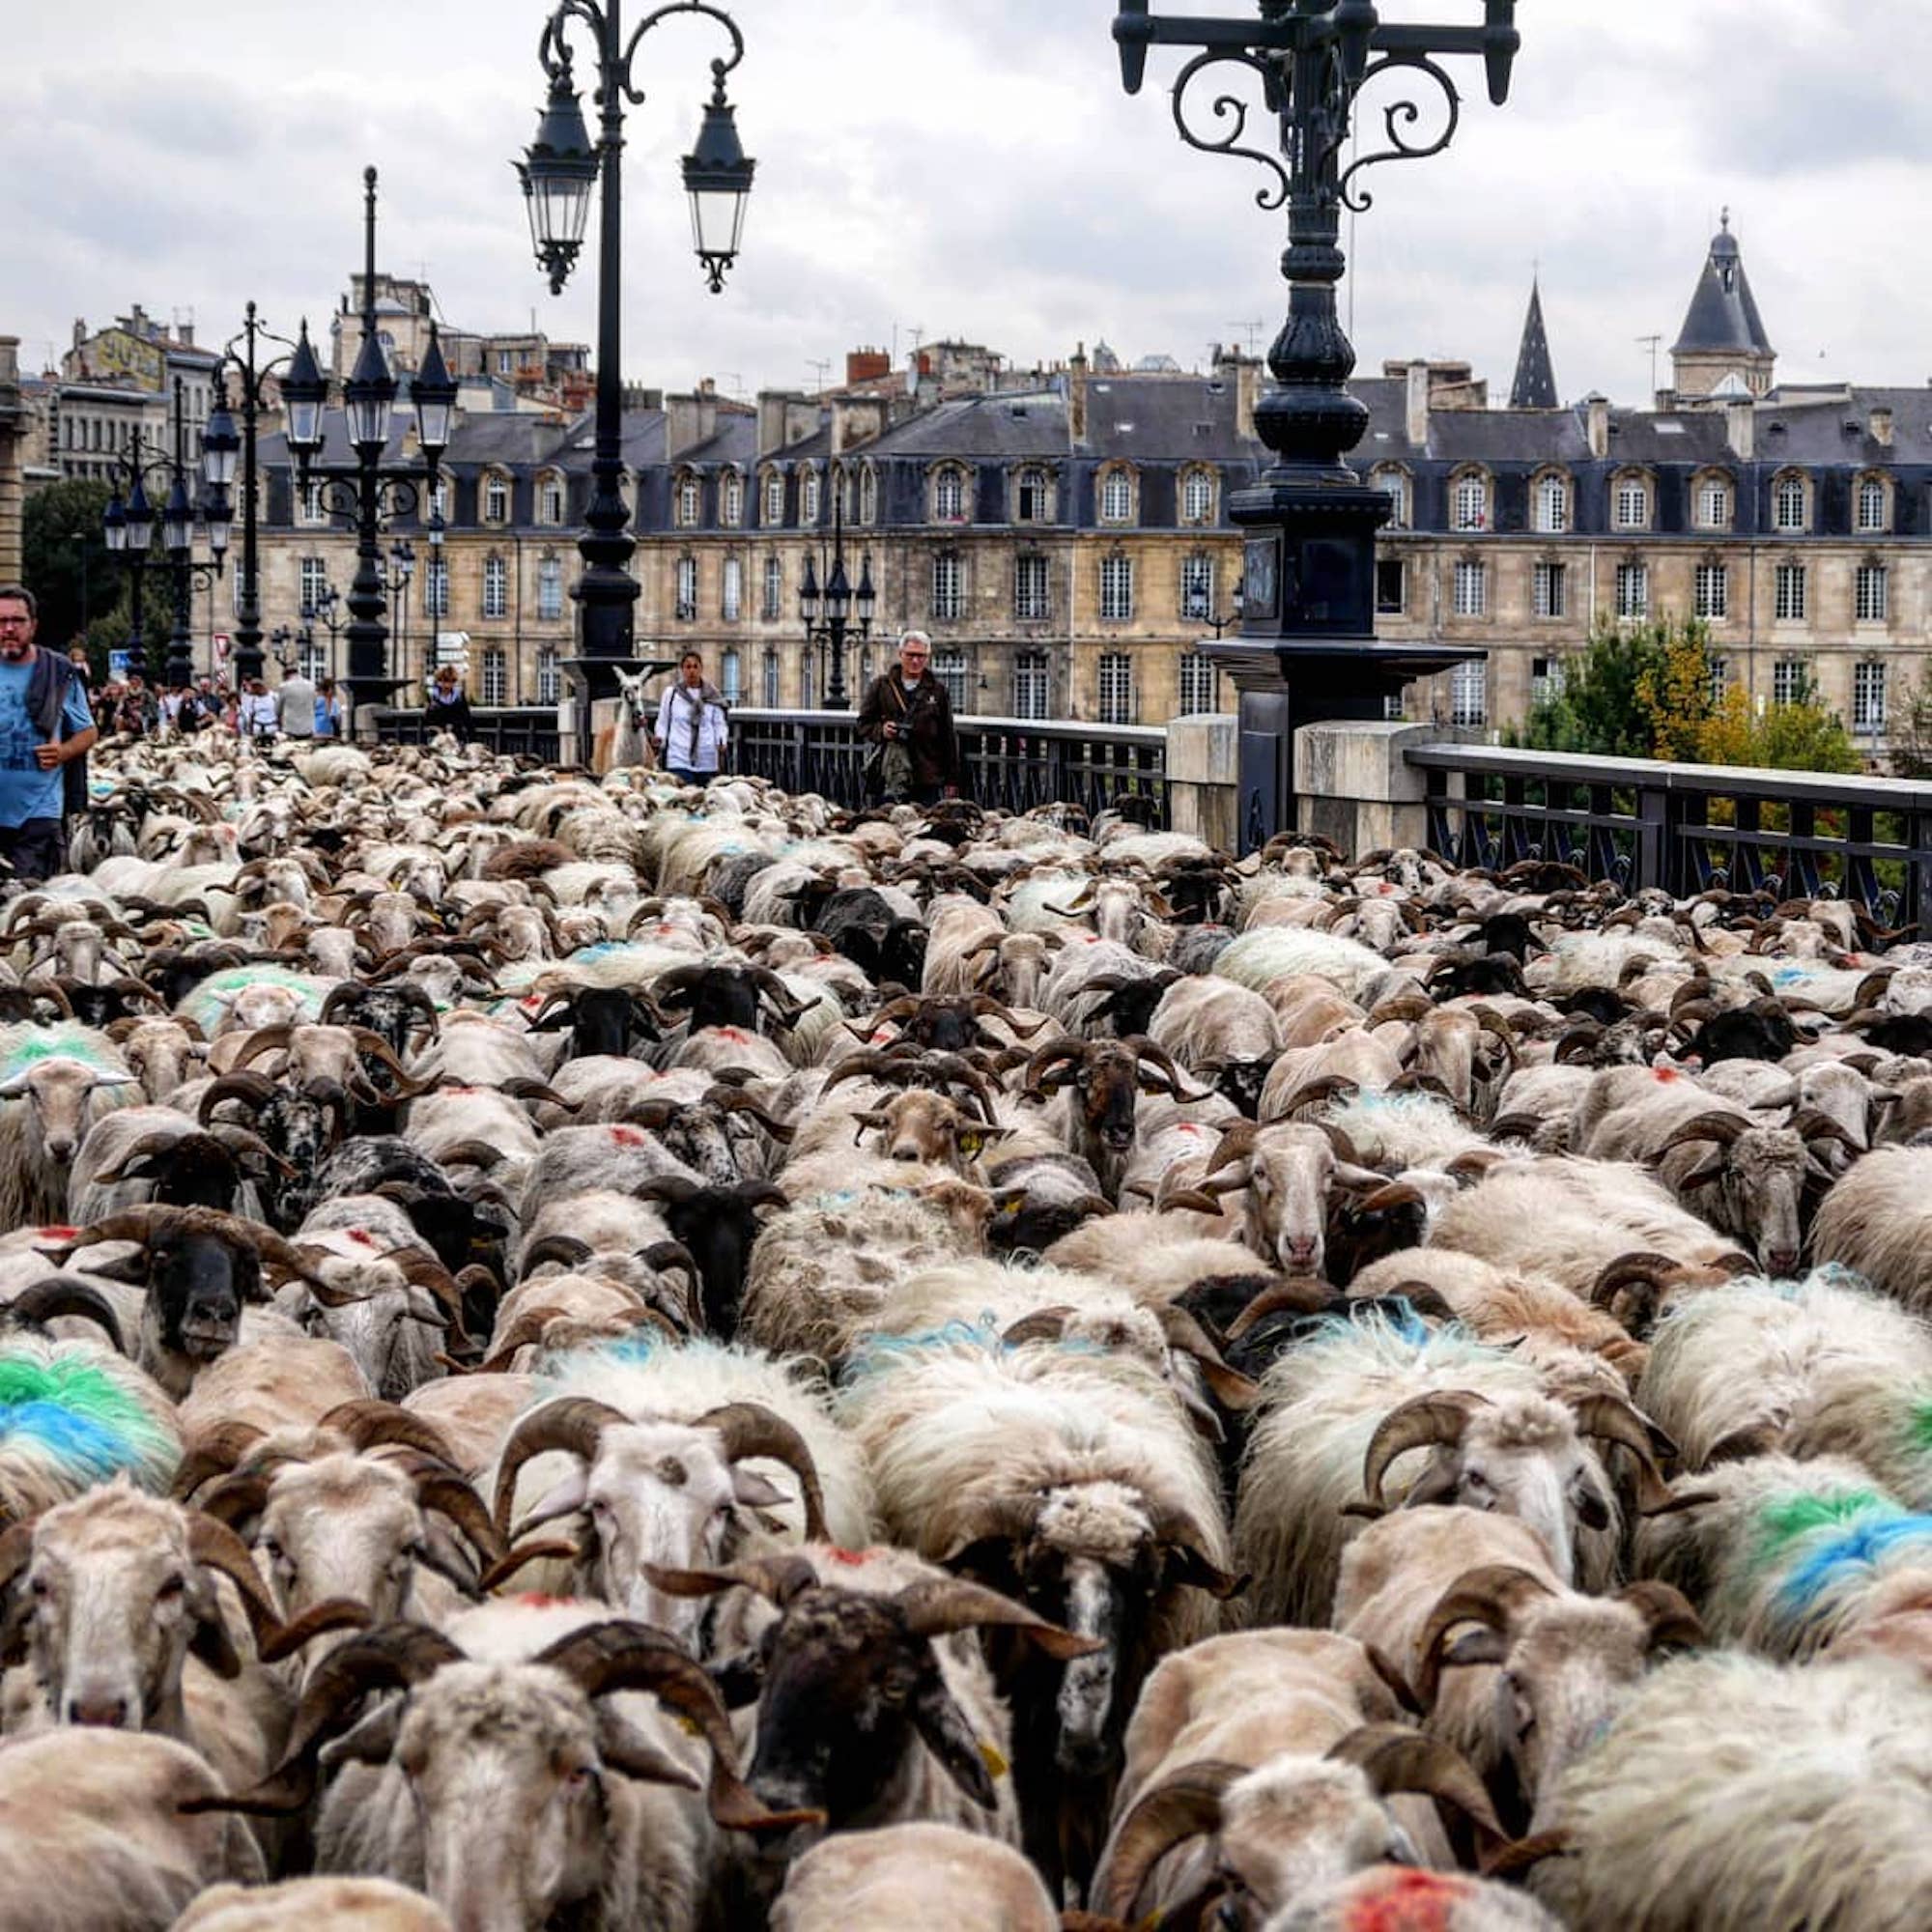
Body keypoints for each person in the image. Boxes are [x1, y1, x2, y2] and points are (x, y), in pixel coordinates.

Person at [0, 585, 98, 883]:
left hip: (38, 813)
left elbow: (88, 731)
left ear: (33, 625)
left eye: (18, 621)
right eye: (1, 621)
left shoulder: (59, 672)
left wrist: (63, 752)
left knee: (26, 908)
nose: (9, 628)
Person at [857, 628, 959, 806]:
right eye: (911, 655)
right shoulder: (882, 686)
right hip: (891, 773)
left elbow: (947, 735)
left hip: (927, 775)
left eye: (921, 656)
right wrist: (882, 731)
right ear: (900, 654)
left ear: (927, 657)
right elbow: (863, 723)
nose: (915, 661)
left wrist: (952, 779)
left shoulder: (938, 690)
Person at [652, 650, 729, 784]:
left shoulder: (712, 695)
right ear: (682, 670)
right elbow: (663, 720)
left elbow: (718, 723)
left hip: (706, 756)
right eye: (688, 667)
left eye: (695, 667)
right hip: (679, 755)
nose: (692, 671)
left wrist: (721, 740)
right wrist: (660, 737)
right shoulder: (672, 694)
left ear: (701, 669)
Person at [427, 664, 471, 743]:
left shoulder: (459, 696)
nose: (447, 685)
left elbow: (466, 717)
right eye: (445, 681)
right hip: (438, 735)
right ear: (439, 681)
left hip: (456, 735)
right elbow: (428, 718)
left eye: (451, 681)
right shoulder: (433, 696)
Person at [274, 665, 319, 742]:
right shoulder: (311, 685)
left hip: (290, 729)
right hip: (308, 728)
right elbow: (314, 705)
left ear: (286, 675)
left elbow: (277, 710)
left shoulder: (284, 686)